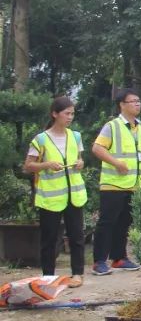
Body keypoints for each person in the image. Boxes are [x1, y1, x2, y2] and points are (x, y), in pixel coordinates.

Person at [23, 96, 86, 287]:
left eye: (72, 113)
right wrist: (46, 164)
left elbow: (80, 160)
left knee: (76, 236)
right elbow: (28, 166)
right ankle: (48, 276)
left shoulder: (76, 136)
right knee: (49, 239)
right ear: (54, 114)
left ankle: (77, 274)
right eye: (67, 113)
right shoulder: (41, 139)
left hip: (74, 195)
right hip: (50, 197)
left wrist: (81, 163)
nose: (70, 117)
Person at [91, 88, 141, 276]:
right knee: (107, 222)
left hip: (134, 183)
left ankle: (119, 257)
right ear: (122, 105)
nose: (137, 104)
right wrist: (116, 162)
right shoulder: (112, 126)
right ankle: (99, 261)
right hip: (113, 184)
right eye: (133, 101)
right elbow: (97, 148)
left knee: (124, 222)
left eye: (139, 101)